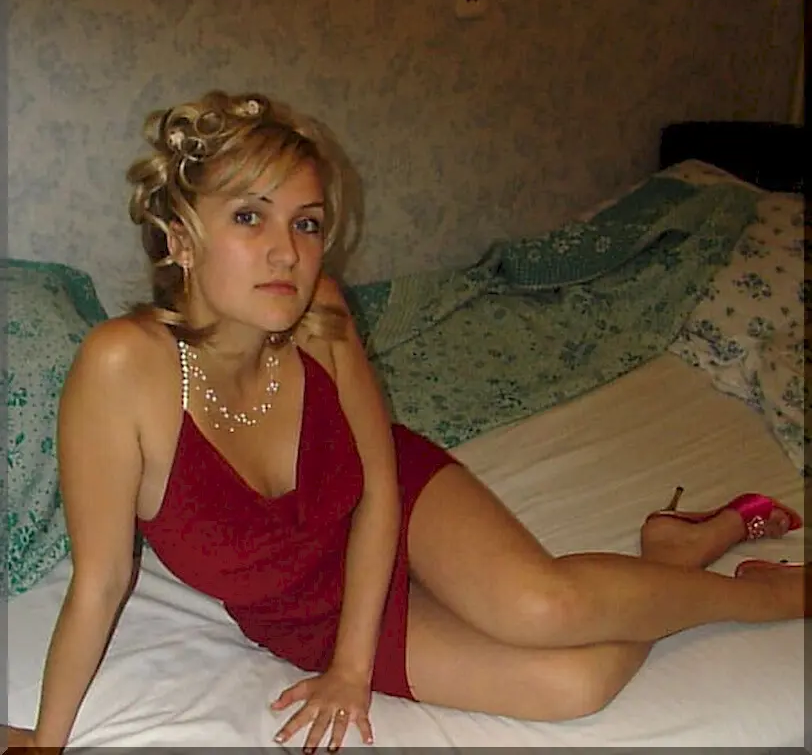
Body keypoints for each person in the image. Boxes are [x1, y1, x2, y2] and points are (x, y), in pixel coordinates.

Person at [5, 90, 806, 754]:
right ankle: (669, 553)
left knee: (543, 608)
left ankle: (763, 598)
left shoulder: (320, 311)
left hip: (390, 502)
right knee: (576, 683)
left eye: (306, 223)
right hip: (304, 605)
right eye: (250, 217)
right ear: (180, 239)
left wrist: (354, 670)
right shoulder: (121, 369)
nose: (287, 253)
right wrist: (45, 742)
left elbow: (378, 484)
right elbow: (101, 582)